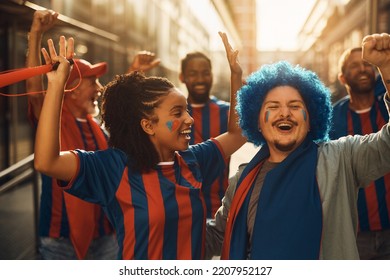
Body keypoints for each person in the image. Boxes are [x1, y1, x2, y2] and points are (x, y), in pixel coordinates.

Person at [32, 30, 246, 259]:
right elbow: (47, 162)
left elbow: (237, 134)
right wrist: (56, 86)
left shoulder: (193, 159)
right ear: (148, 125)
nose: (189, 119)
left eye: (186, 110)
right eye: (178, 112)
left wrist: (236, 75)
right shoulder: (114, 167)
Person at [206, 33, 390, 260]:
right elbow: (216, 237)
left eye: (294, 106)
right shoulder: (242, 180)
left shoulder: (341, 158)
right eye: (273, 106)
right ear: (258, 120)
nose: (285, 113)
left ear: (311, 117)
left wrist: (388, 72)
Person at [26, 10, 160, 259]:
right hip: (61, 239)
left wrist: (133, 73)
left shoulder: (96, 125)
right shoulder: (54, 120)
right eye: (92, 82)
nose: (99, 87)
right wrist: (36, 34)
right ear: (73, 90)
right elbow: (34, 93)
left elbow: (118, 104)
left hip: (106, 233)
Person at [329, 46, 390, 259]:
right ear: (342, 77)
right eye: (354, 65)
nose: (362, 69)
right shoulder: (332, 118)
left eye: (367, 64)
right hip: (355, 233)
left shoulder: (386, 106)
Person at [179, 52, 230, 218]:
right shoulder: (172, 114)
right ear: (182, 77)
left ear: (212, 75)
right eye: (193, 74)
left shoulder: (227, 112)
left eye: (205, 73)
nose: (200, 79)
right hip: (179, 214)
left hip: (218, 213)